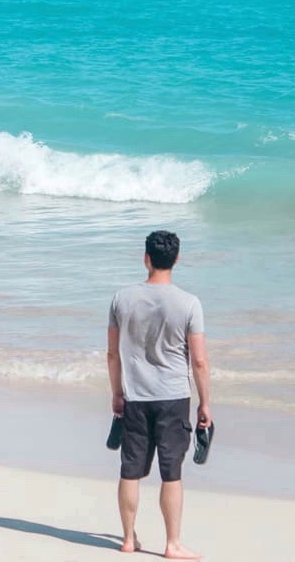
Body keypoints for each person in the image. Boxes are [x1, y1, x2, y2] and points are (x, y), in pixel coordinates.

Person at [106, 230, 211, 559]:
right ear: (177, 259)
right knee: (171, 472)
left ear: (146, 258)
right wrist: (205, 403)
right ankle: (172, 544)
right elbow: (199, 361)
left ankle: (127, 539)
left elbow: (112, 354)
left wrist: (117, 393)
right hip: (173, 398)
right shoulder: (189, 303)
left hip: (135, 395)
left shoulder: (122, 299)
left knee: (130, 470)